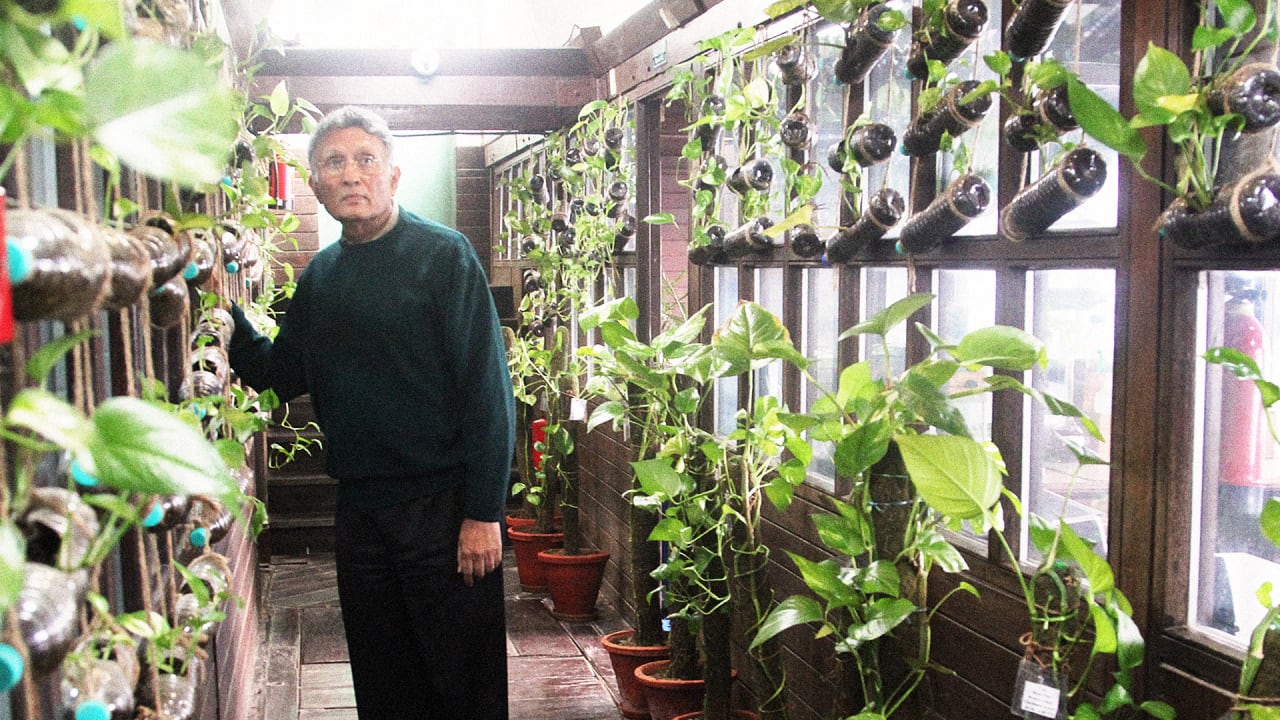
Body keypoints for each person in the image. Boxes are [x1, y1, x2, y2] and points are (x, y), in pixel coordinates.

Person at [228, 106, 515, 720]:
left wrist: (484, 513)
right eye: (335, 163)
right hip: (361, 513)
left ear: (393, 174)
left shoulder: (445, 258)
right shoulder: (323, 277)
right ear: (315, 184)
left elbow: (487, 394)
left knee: (461, 681)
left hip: (444, 509)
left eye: (366, 160)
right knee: (384, 680)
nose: (352, 175)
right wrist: (223, 316)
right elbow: (277, 374)